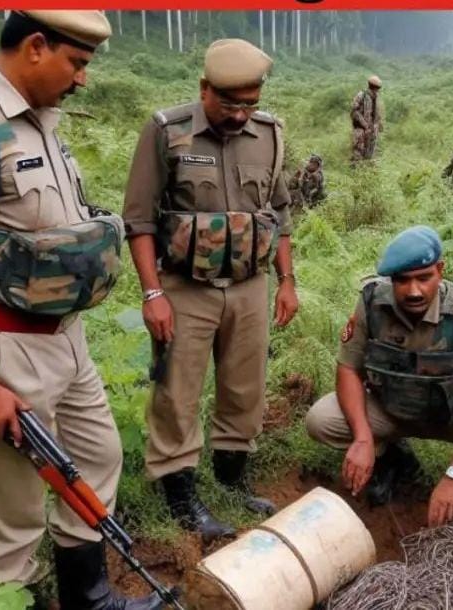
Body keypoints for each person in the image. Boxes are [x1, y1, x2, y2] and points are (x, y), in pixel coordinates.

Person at [0, 10, 161, 608]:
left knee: (98, 458)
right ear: (36, 46)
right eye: (78, 63)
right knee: (13, 517)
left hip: (65, 340)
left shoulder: (41, 122)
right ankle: (5, 597)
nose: (83, 80)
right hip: (3, 347)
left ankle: (87, 597)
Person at [121, 38, 298, 543]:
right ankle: (179, 492)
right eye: (230, 103)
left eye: (250, 103)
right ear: (204, 89)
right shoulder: (166, 132)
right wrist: (152, 294)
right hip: (184, 287)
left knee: (246, 387)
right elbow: (138, 220)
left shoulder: (270, 135)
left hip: (249, 286)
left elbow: (280, 214)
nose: (241, 114)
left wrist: (287, 282)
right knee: (177, 390)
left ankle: (231, 478)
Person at [304, 225, 453, 577]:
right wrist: (364, 437)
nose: (413, 290)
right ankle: (393, 458)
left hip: (452, 413)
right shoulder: (370, 300)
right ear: (391, 280)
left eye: (424, 278)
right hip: (392, 410)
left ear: (440, 270)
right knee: (322, 419)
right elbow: (348, 370)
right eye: (403, 280)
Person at [351, 75, 383, 162]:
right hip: (360, 129)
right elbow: (355, 111)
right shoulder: (362, 95)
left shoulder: (375, 97)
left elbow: (376, 113)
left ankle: (366, 170)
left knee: (369, 152)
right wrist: (365, 125)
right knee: (358, 151)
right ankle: (356, 171)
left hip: (371, 129)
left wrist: (377, 125)